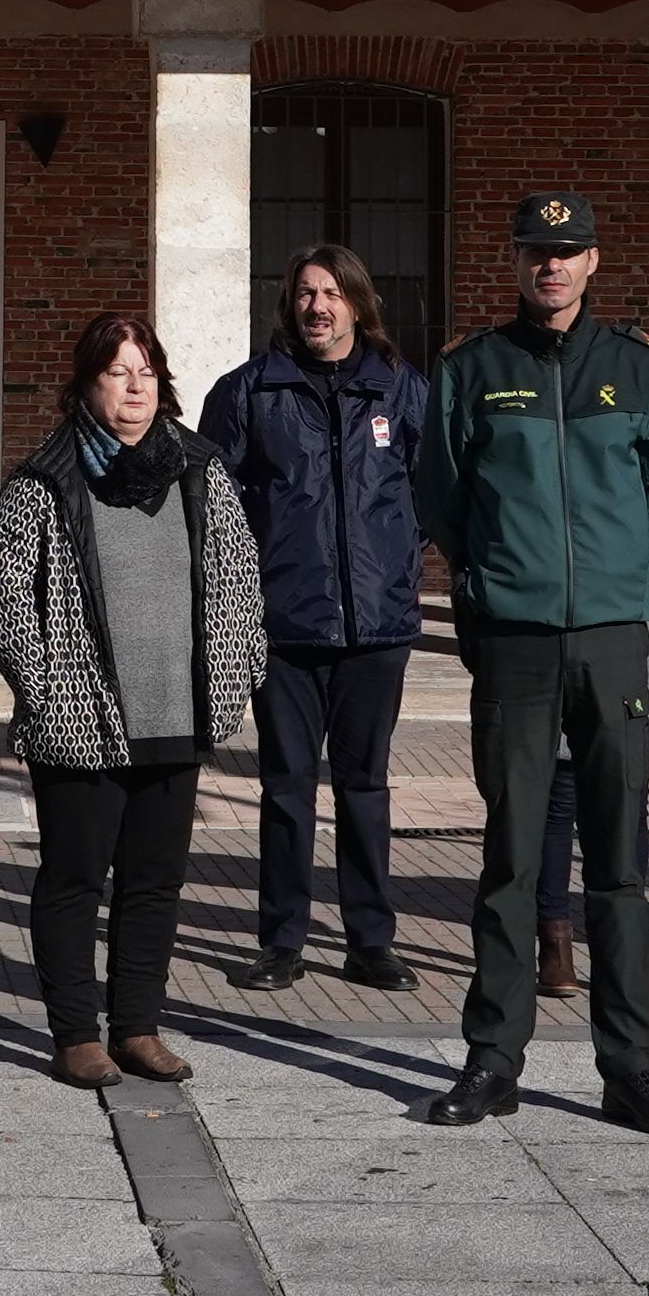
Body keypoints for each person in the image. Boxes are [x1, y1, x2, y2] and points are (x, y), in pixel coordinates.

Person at [423, 188, 649, 1135]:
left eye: (568, 250)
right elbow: (445, 500)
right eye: (537, 249)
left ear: (593, 262)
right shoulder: (471, 368)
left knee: (618, 866)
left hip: (613, 643)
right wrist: (496, 586)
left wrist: (625, 592)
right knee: (508, 858)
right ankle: (493, 1059)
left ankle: (632, 1071)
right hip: (517, 644)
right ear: (516, 260)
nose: (552, 264)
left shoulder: (641, 368)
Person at [0, 312, 268, 1087]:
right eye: (117, 371)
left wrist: (236, 673)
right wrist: (41, 691)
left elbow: (240, 576)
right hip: (81, 720)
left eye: (146, 370)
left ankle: (138, 1025)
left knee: (154, 882)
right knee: (74, 878)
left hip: (177, 710)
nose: (135, 386)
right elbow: (8, 592)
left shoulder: (199, 469)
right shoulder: (44, 480)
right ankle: (76, 1033)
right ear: (86, 384)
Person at [203, 245, 433, 993]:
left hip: (377, 629)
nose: (317, 307)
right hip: (286, 629)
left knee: (365, 789)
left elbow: (432, 492)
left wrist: (396, 560)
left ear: (359, 305)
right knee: (285, 789)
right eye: (305, 293)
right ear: (288, 304)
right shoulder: (247, 393)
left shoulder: (399, 390)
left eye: (332, 293)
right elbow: (215, 503)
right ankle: (282, 942)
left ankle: (370, 941)